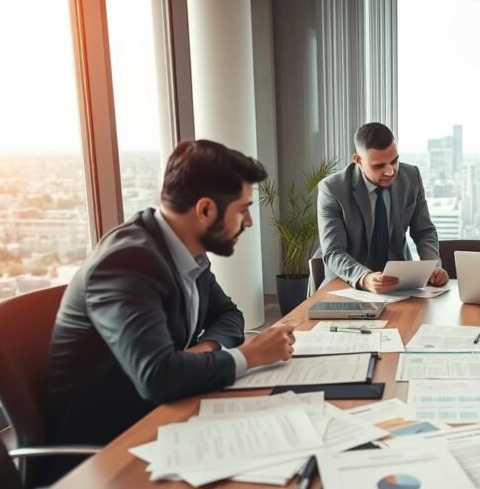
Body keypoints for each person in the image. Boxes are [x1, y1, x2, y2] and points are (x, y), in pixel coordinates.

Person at [46, 140, 296, 449]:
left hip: (167, 412)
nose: (248, 222)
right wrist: (250, 355)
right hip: (112, 445)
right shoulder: (127, 262)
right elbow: (157, 377)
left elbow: (230, 315)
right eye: (242, 209)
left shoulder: (185, 251)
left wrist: (205, 349)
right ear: (205, 209)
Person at [317, 122, 448, 294]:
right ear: (358, 161)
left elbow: (424, 231)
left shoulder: (411, 177)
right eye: (379, 166)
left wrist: (433, 266)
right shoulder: (333, 189)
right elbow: (334, 251)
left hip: (400, 283)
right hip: (348, 284)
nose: (390, 171)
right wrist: (365, 278)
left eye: (394, 161)